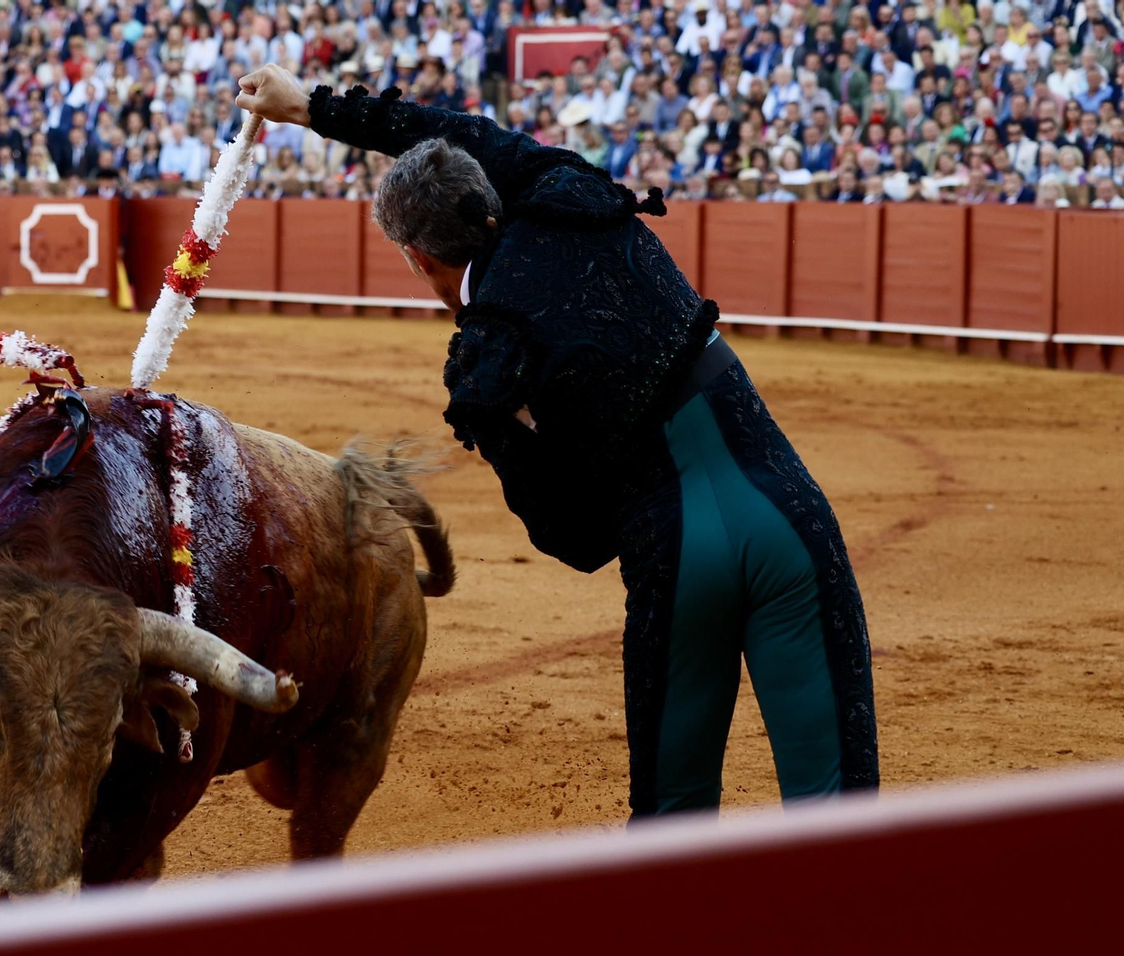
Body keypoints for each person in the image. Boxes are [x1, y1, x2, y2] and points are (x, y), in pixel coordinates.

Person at [235, 63, 879, 817]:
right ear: (483, 189)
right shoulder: (563, 187)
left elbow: (574, 538)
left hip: (676, 556)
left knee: (675, 824)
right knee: (842, 816)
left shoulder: (484, 364)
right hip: (789, 510)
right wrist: (311, 107)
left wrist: (555, 430)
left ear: (419, 259)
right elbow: (461, 132)